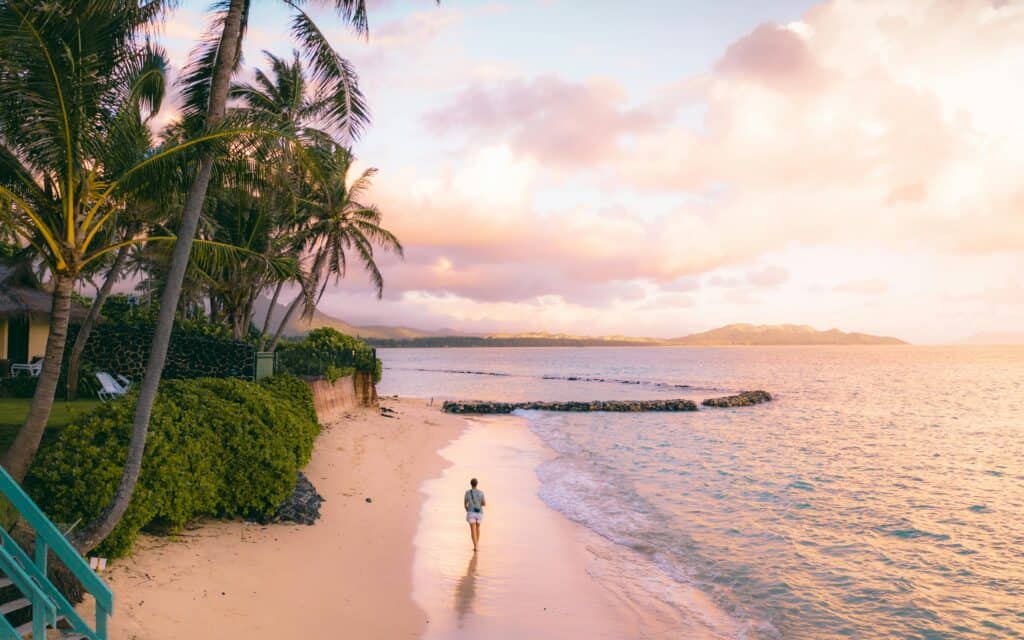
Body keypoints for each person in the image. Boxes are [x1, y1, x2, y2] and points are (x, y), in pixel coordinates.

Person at [464, 478, 486, 551]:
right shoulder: (481, 493)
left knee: (473, 530)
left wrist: (468, 510)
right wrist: (478, 503)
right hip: (479, 513)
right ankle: (476, 545)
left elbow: (465, 504)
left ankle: (475, 546)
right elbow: (484, 503)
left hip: (471, 512)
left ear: (471, 484)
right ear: (477, 484)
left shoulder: (467, 492)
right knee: (477, 528)